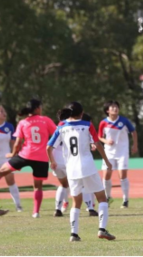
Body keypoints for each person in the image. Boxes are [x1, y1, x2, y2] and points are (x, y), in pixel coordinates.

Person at [47, 102, 116, 242]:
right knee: (102, 198)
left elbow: (48, 147)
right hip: (87, 166)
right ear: (82, 112)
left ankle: (74, 234)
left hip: (71, 169)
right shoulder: (87, 125)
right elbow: (97, 144)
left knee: (76, 202)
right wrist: (107, 162)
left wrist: (52, 161)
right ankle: (102, 229)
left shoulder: (61, 126)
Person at [0, 99, 57, 218]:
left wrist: (13, 154)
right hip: (41, 157)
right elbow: (56, 135)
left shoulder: (23, 122)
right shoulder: (46, 120)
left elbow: (17, 142)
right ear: (37, 109)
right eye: (40, 107)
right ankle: (36, 212)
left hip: (25, 155)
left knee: (1, 171)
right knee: (37, 186)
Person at [52, 110, 99, 217]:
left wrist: (51, 160)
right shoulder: (76, 126)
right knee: (83, 184)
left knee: (63, 185)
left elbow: (50, 145)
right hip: (70, 159)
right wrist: (92, 144)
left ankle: (58, 209)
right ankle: (90, 208)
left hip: (57, 159)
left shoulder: (60, 126)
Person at [98, 100, 138, 208]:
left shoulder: (124, 121)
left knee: (122, 175)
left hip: (122, 152)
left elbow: (133, 132)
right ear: (107, 110)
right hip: (108, 152)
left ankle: (125, 200)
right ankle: (108, 197)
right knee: (106, 175)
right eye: (112, 107)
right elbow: (99, 136)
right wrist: (106, 141)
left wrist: (135, 145)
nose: (115, 109)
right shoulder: (103, 122)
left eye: (116, 107)